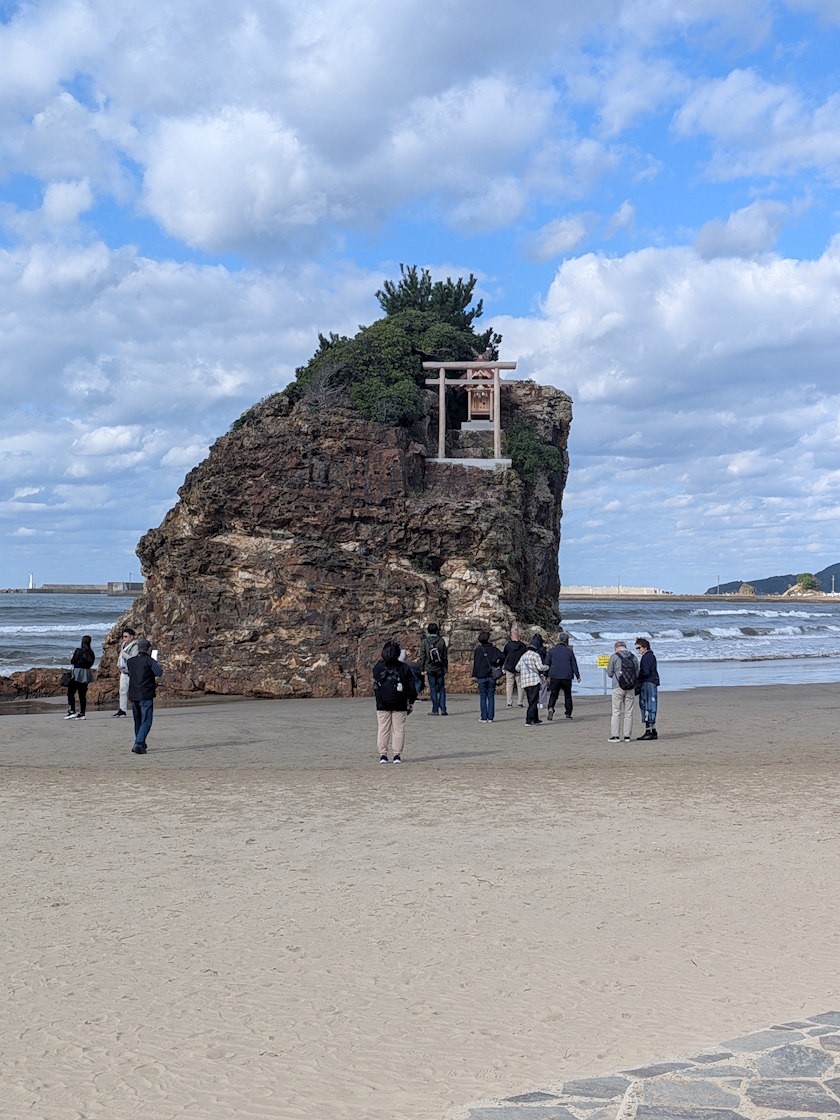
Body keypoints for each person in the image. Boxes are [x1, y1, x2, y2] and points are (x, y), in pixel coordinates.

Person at [373, 640, 417, 763]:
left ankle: (383, 755)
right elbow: (411, 687)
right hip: (400, 702)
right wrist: (411, 701)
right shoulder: (404, 668)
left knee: (383, 729)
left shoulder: (378, 667)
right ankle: (397, 755)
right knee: (398, 729)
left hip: (382, 702)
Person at [126, 639, 163, 754]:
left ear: (138, 649)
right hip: (146, 693)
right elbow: (159, 672)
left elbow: (129, 673)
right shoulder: (149, 661)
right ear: (149, 649)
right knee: (146, 721)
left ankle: (140, 742)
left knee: (137, 720)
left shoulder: (130, 661)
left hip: (133, 693)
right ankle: (138, 744)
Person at [606, 640, 639, 743]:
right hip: (631, 687)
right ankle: (627, 736)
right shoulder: (633, 657)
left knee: (616, 711)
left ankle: (615, 736)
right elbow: (637, 672)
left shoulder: (614, 656)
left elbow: (609, 673)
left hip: (617, 685)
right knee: (628, 712)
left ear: (616, 648)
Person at [545, 633, 581, 720]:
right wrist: (577, 676)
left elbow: (547, 663)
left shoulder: (552, 651)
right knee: (567, 695)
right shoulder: (569, 651)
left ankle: (551, 707)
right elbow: (574, 664)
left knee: (553, 694)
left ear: (558, 640)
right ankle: (568, 713)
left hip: (554, 675)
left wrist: (545, 674)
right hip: (566, 676)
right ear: (567, 641)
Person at [471, 630, 504, 723]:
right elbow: (503, 657)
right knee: (491, 696)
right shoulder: (493, 649)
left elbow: (476, 664)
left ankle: (483, 717)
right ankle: (490, 717)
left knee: (482, 696)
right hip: (491, 674)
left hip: (481, 675)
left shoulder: (478, 650)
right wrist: (498, 665)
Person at [419, 623, 448, 715]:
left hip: (430, 668)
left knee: (433, 688)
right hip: (440, 668)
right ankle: (443, 709)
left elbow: (422, 656)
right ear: (437, 630)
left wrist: (422, 668)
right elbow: (444, 656)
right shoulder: (441, 641)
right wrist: (445, 667)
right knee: (442, 689)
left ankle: (435, 709)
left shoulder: (425, 642)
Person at [519, 636, 549, 725]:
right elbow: (540, 667)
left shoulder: (523, 656)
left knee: (531, 700)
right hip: (534, 681)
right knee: (533, 701)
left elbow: (517, 667)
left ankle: (535, 719)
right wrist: (547, 667)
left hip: (525, 681)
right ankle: (529, 720)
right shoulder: (536, 655)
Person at [65, 635, 96, 720]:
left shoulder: (78, 651)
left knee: (71, 692)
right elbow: (91, 664)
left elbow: (73, 661)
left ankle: (72, 711)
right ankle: (82, 713)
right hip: (86, 674)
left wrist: (72, 657)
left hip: (77, 673)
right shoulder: (91, 653)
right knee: (82, 694)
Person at [635, 637, 660, 740]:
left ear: (645, 647)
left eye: (639, 648)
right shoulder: (651, 656)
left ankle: (648, 731)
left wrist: (637, 678)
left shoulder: (646, 657)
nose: (638, 650)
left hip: (647, 683)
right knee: (652, 706)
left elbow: (645, 672)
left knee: (646, 706)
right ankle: (653, 730)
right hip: (653, 682)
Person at [113, 627, 139, 718]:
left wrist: (123, 654)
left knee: (133, 692)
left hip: (132, 673)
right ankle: (122, 710)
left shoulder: (135, 646)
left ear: (131, 637)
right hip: (124, 671)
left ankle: (137, 709)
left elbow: (133, 659)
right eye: (123, 636)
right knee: (122, 691)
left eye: (126, 636)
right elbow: (121, 657)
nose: (124, 638)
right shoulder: (123, 645)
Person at [501, 627, 526, 708]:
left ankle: (509, 702)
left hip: (509, 667)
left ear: (511, 636)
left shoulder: (508, 645)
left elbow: (504, 655)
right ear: (518, 636)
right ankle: (520, 702)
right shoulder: (522, 646)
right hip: (519, 668)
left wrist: (502, 665)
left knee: (509, 685)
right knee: (520, 685)